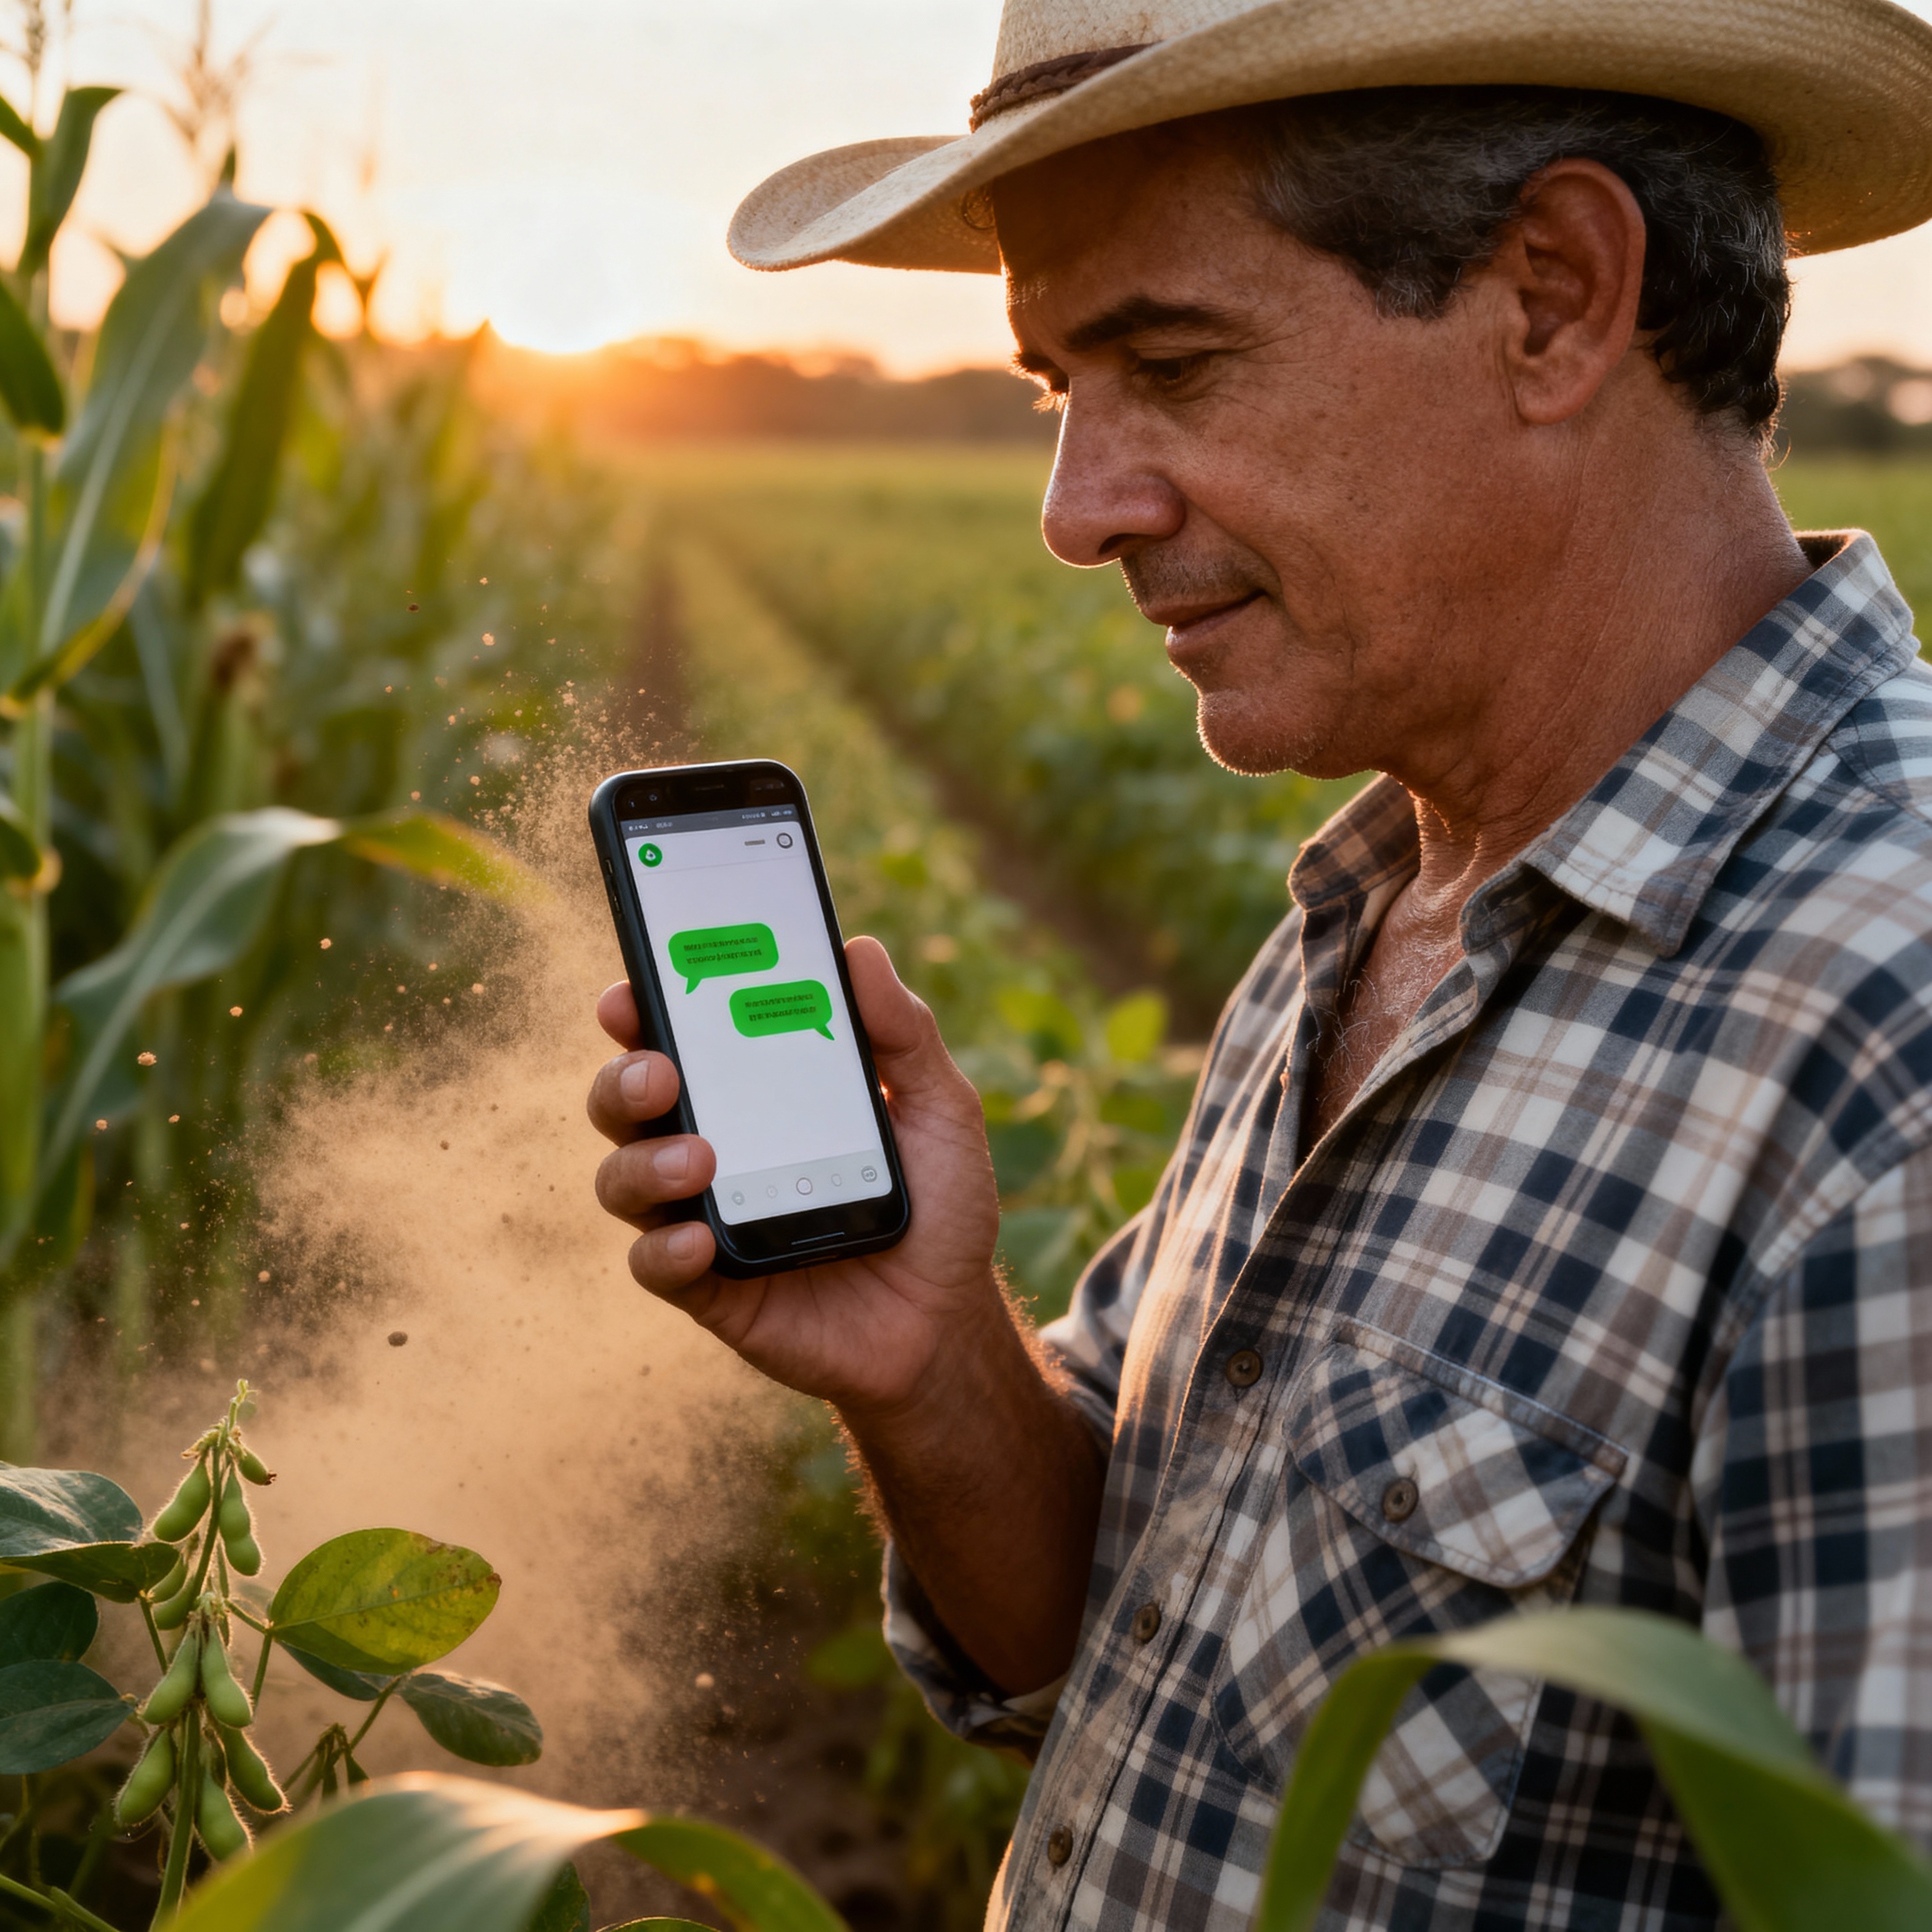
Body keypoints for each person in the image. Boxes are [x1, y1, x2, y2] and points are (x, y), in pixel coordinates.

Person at [587, 1, 1932, 1925]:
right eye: (1063, 390)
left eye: (1174, 364)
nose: (1078, 511)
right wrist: (927, 1356)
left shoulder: (1889, 1053)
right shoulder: (1387, 886)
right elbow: (1115, 1627)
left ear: (1552, 298)